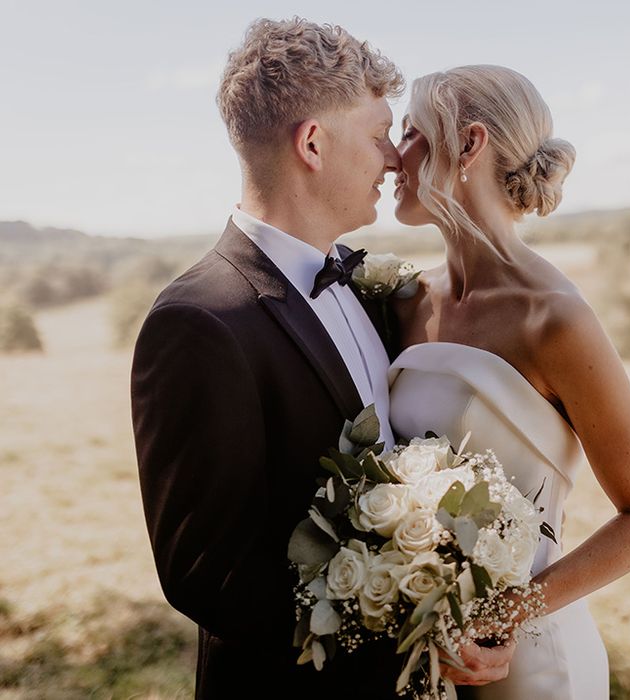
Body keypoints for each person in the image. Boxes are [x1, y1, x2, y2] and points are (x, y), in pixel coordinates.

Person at [130, 17, 405, 699]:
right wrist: (404, 621)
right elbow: (206, 572)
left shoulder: (372, 285)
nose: (395, 158)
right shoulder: (199, 322)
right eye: (379, 136)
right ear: (313, 143)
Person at [387, 65, 630, 699]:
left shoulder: (554, 318)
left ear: (468, 145)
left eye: (411, 133)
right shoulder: (404, 300)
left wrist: (501, 618)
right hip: (420, 652)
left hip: (530, 661)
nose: (391, 155)